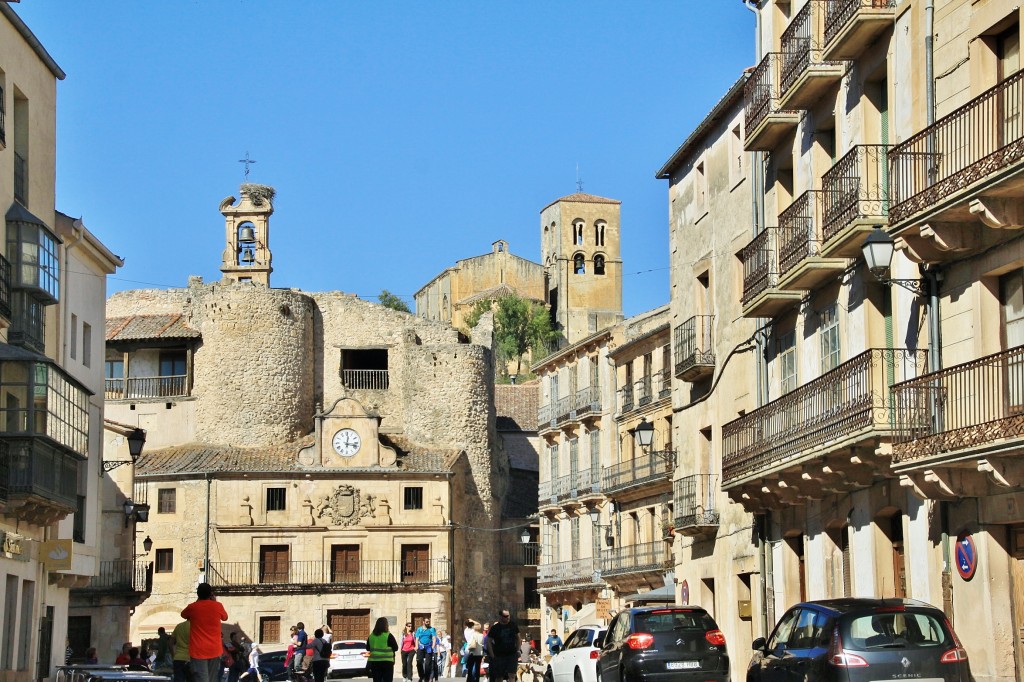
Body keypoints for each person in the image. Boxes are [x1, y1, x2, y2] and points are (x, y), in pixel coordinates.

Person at [180, 582, 229, 682]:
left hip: (198, 650)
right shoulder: (218, 606)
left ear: (198, 594)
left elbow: (183, 615)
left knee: (201, 679)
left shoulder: (192, 607)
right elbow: (225, 617)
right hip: (214, 649)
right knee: (212, 679)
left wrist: (198, 600)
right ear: (210, 594)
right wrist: (214, 601)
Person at [485, 611, 520, 682]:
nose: (507, 618)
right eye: (505, 616)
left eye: (508, 616)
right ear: (500, 617)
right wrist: (492, 655)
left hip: (512, 654)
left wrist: (518, 650)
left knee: (512, 675)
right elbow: (488, 640)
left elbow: (518, 638)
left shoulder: (513, 626)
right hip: (499, 655)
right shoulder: (495, 628)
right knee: (499, 677)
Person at [366, 616, 399, 682]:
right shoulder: (388, 635)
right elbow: (396, 648)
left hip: (374, 662)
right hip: (387, 662)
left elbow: (367, 648)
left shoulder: (371, 636)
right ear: (386, 625)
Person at [414, 617, 438, 682]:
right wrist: (416, 646)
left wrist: (433, 646)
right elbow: (417, 638)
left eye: (428, 622)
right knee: (419, 662)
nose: (428, 623)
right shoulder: (419, 629)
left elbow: (434, 638)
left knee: (428, 664)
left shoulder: (432, 629)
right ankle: (421, 676)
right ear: (423, 622)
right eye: (427, 622)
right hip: (421, 646)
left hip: (428, 647)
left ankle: (426, 678)